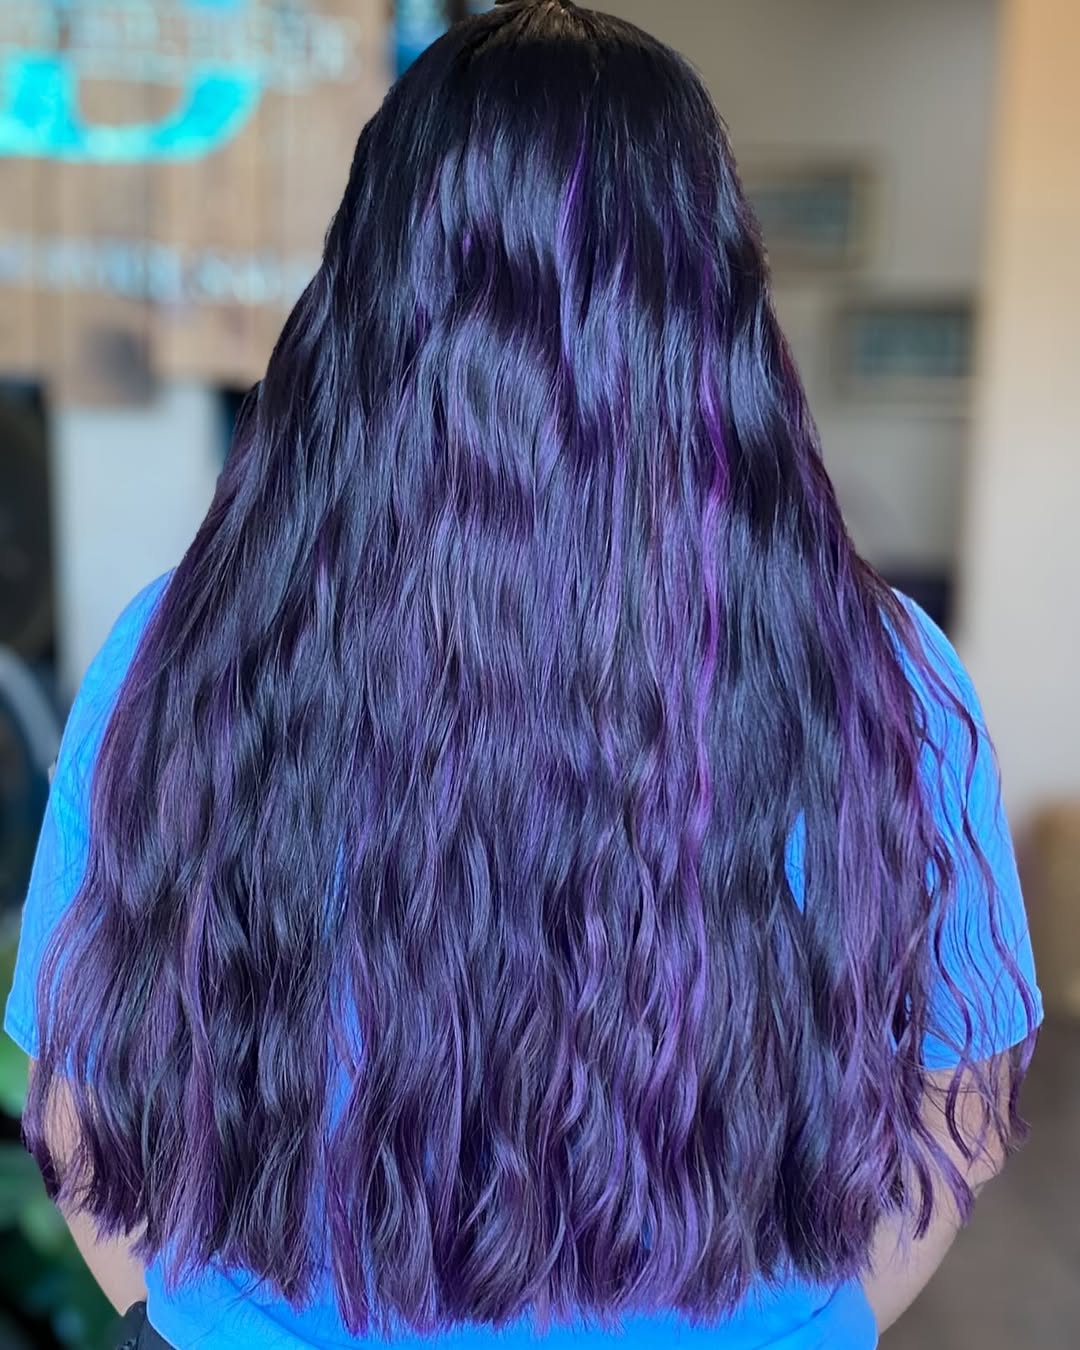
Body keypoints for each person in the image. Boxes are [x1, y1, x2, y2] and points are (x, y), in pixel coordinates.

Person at [5, 3, 1042, 1347]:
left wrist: (179, 1324)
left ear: (365, 288)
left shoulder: (178, 650)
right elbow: (960, 1102)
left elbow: (82, 1096)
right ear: (714, 303)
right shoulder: (891, 679)